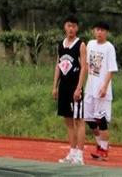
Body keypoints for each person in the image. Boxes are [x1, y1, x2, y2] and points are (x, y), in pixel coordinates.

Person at [52, 16, 87, 165]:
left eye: (73, 26)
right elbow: (58, 65)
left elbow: (84, 67)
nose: (71, 29)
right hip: (64, 87)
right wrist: (55, 86)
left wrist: (79, 88)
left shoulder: (81, 45)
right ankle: (72, 153)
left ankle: (80, 155)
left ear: (77, 28)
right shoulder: (61, 44)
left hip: (75, 87)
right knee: (68, 121)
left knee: (78, 121)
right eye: (68, 26)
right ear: (64, 27)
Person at [85, 22, 118, 161]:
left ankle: (104, 149)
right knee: (89, 118)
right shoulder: (90, 44)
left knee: (101, 120)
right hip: (90, 87)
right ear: (93, 31)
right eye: (97, 30)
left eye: (103, 30)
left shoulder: (109, 47)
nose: (99, 32)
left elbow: (111, 69)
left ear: (107, 33)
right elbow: (87, 65)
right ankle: (101, 144)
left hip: (102, 89)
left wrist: (104, 86)